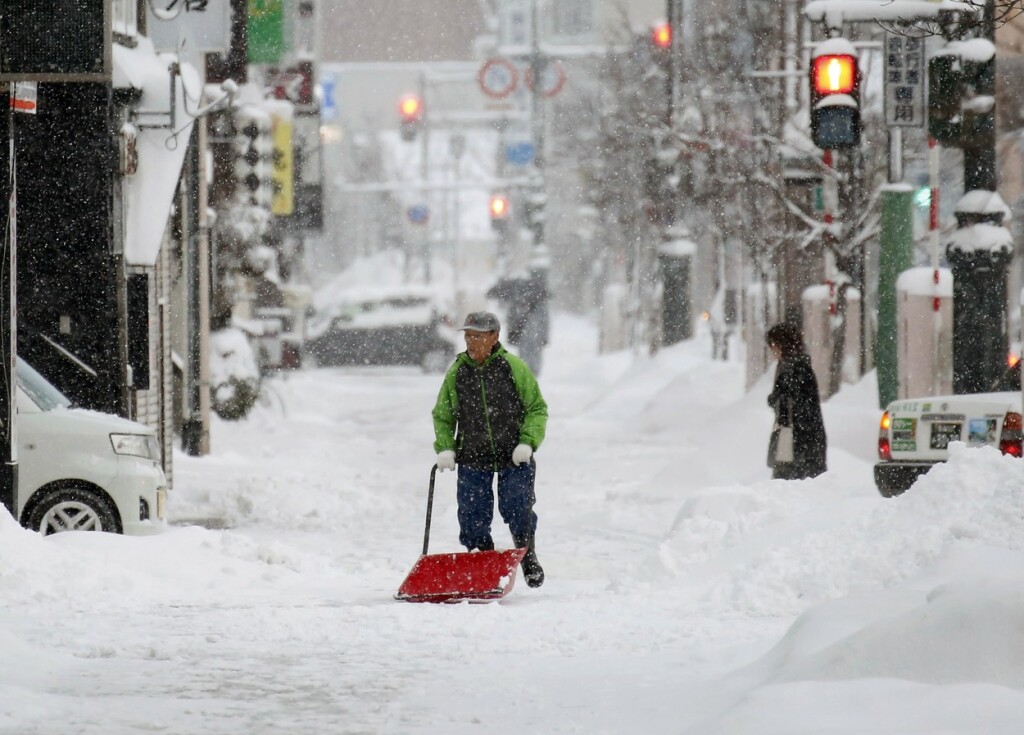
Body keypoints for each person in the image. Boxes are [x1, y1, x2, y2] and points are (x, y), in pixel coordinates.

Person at [431, 311, 549, 587]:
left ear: (494, 337)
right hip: (473, 453)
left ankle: (527, 554)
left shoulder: (513, 367)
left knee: (518, 505)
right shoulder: (458, 372)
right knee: (472, 514)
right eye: (468, 336)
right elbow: (443, 414)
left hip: (513, 455)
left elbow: (536, 408)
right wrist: (446, 447)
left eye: (478, 336)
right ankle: (483, 562)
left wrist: (527, 442)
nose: (472, 343)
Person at [765, 322, 827, 480]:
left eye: (773, 345)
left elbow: (789, 402)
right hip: (808, 441)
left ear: (780, 345)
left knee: (790, 489)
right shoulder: (800, 365)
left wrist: (774, 399)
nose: (773, 351)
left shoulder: (792, 368)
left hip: (797, 443)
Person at [486, 267, 550, 375]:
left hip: (523, 325)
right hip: (526, 325)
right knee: (530, 347)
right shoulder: (535, 292)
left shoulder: (515, 290)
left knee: (527, 346)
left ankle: (529, 371)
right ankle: (531, 371)